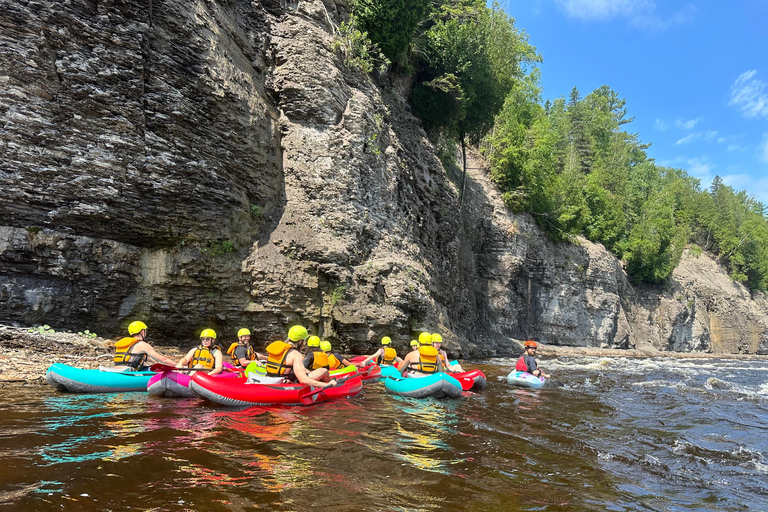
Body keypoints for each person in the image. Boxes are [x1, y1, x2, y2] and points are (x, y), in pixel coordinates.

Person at [263, 325, 336, 388]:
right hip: (287, 382)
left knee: (307, 371)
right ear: (300, 341)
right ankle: (332, 385)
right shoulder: (296, 354)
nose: (304, 344)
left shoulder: (278, 347)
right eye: (304, 341)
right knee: (324, 371)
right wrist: (326, 385)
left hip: (271, 379)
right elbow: (303, 380)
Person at [113, 321, 178, 371]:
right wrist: (177, 365)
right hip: (130, 372)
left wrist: (153, 361)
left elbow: (133, 356)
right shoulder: (143, 345)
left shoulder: (125, 343)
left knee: (146, 366)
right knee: (160, 371)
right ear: (142, 332)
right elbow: (163, 360)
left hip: (117, 369)